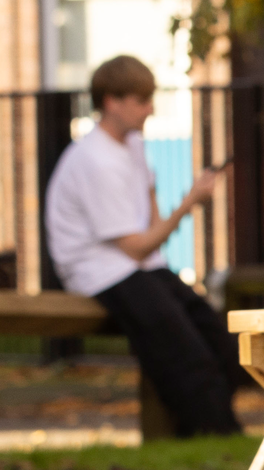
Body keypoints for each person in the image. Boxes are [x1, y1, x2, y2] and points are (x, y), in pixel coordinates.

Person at [45, 55, 239, 437]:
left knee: (212, 334)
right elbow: (133, 247)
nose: (150, 109)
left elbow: (149, 229)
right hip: (99, 270)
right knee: (182, 351)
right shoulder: (94, 160)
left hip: (138, 264)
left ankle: (208, 429)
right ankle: (216, 433)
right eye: (141, 100)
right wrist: (189, 204)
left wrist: (182, 206)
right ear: (112, 102)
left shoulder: (133, 146)